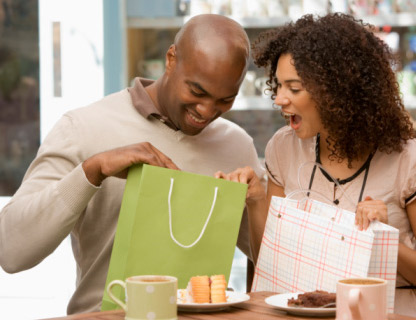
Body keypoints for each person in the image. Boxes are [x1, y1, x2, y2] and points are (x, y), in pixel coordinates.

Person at [0, 14, 264, 314]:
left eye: (225, 100)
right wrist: (92, 171)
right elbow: (11, 251)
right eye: (197, 91)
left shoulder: (236, 145)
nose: (206, 111)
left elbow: (268, 262)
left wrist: (258, 203)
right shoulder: (83, 127)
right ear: (171, 59)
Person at [216, 13, 416, 319]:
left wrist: (383, 238)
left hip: (390, 310)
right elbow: (273, 260)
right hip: (307, 309)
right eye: (278, 85)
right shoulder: (284, 147)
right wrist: (256, 200)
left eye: (295, 88)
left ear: (338, 91)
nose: (279, 99)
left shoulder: (414, 160)